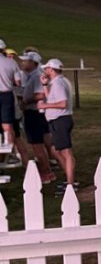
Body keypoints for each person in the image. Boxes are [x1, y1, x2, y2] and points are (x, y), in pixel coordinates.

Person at [40, 59, 76, 194]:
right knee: (56, 150)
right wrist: (45, 85)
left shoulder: (59, 84)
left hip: (61, 119)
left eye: (47, 69)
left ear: (51, 70)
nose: (45, 71)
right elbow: (51, 98)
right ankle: (69, 178)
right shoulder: (58, 82)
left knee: (66, 152)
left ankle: (71, 183)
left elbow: (62, 104)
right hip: (57, 120)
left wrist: (45, 106)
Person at [17, 51, 53, 182]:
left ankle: (46, 173)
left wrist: (26, 101)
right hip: (37, 113)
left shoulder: (36, 76)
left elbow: (41, 94)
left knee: (37, 145)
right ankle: (48, 169)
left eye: (25, 61)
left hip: (34, 113)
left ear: (33, 63)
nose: (22, 63)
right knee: (43, 142)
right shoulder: (33, 75)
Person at [0, 38, 19, 150]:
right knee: (7, 125)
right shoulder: (11, 62)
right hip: (7, 94)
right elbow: (18, 82)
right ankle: (10, 150)